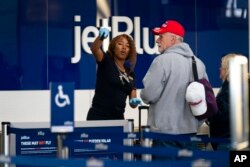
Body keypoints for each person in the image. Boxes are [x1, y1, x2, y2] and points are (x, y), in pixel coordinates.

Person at [140, 20, 208, 151]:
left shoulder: (161, 61)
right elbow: (205, 98)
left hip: (165, 137)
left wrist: (142, 94)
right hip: (190, 136)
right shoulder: (198, 63)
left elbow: (148, 95)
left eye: (161, 36)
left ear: (172, 39)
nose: (157, 40)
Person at [86, 27, 141, 120]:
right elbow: (94, 49)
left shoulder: (130, 73)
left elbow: (132, 102)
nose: (124, 48)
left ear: (129, 51)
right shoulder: (106, 61)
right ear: (113, 47)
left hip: (118, 118)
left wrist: (134, 102)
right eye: (120, 44)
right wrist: (101, 36)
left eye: (127, 46)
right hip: (98, 116)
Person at [208, 53, 249, 150]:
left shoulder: (230, 90)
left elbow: (222, 115)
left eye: (222, 67)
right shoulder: (243, 86)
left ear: (228, 70)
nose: (219, 69)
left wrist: (208, 113)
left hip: (228, 141)